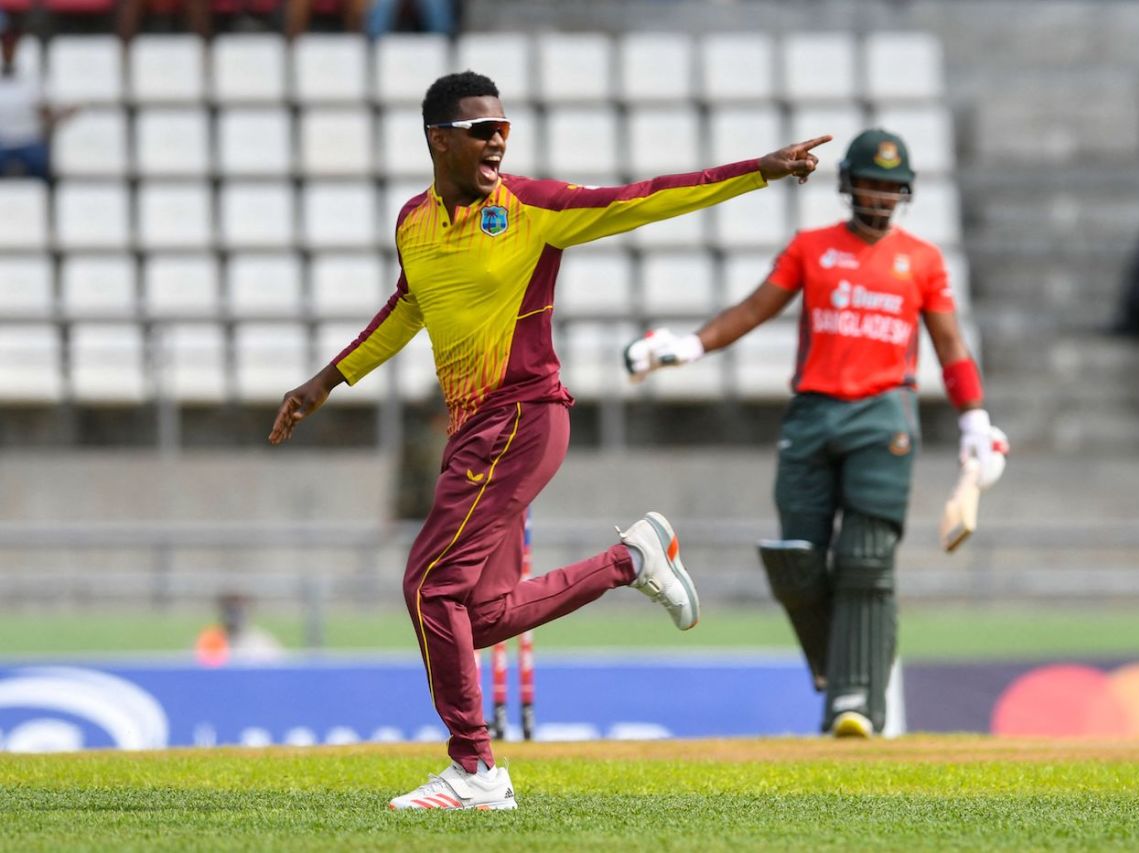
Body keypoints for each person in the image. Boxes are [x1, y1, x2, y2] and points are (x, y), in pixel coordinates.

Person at [268, 70, 829, 810]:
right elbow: (407, 307)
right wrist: (325, 381)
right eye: (481, 130)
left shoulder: (530, 207)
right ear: (439, 140)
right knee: (480, 611)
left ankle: (474, 769)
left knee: (428, 584)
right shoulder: (413, 222)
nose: (498, 139)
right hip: (476, 432)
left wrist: (754, 172)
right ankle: (630, 560)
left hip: (522, 417)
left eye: (503, 127)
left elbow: (641, 199)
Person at [625, 128, 1009, 739]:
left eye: (891, 188)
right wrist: (689, 345)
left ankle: (857, 700)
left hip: (883, 417)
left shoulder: (924, 261)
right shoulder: (812, 248)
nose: (879, 197)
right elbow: (752, 310)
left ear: (904, 194)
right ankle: (840, 668)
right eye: (869, 184)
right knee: (797, 560)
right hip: (810, 414)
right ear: (848, 185)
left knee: (865, 559)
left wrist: (975, 420)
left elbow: (951, 347)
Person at [0, 27, 52, 181]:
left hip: (28, 140)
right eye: (5, 46)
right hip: (2, 140)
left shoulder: (32, 78)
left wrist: (59, 116)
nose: (8, 50)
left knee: (40, 163)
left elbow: (44, 112)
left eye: (11, 46)